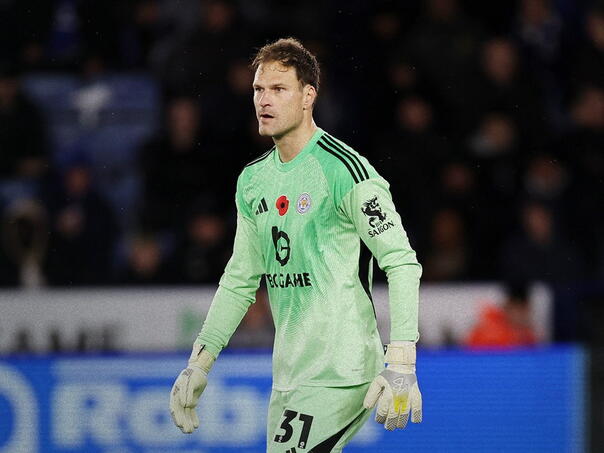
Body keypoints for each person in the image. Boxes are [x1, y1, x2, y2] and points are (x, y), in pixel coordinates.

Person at [169, 38, 423, 452]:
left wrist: (402, 360)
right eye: (258, 89)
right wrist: (200, 362)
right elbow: (239, 280)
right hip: (290, 376)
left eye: (278, 89)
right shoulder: (253, 181)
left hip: (341, 371)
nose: (264, 100)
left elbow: (401, 261)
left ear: (308, 96)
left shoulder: (346, 170)